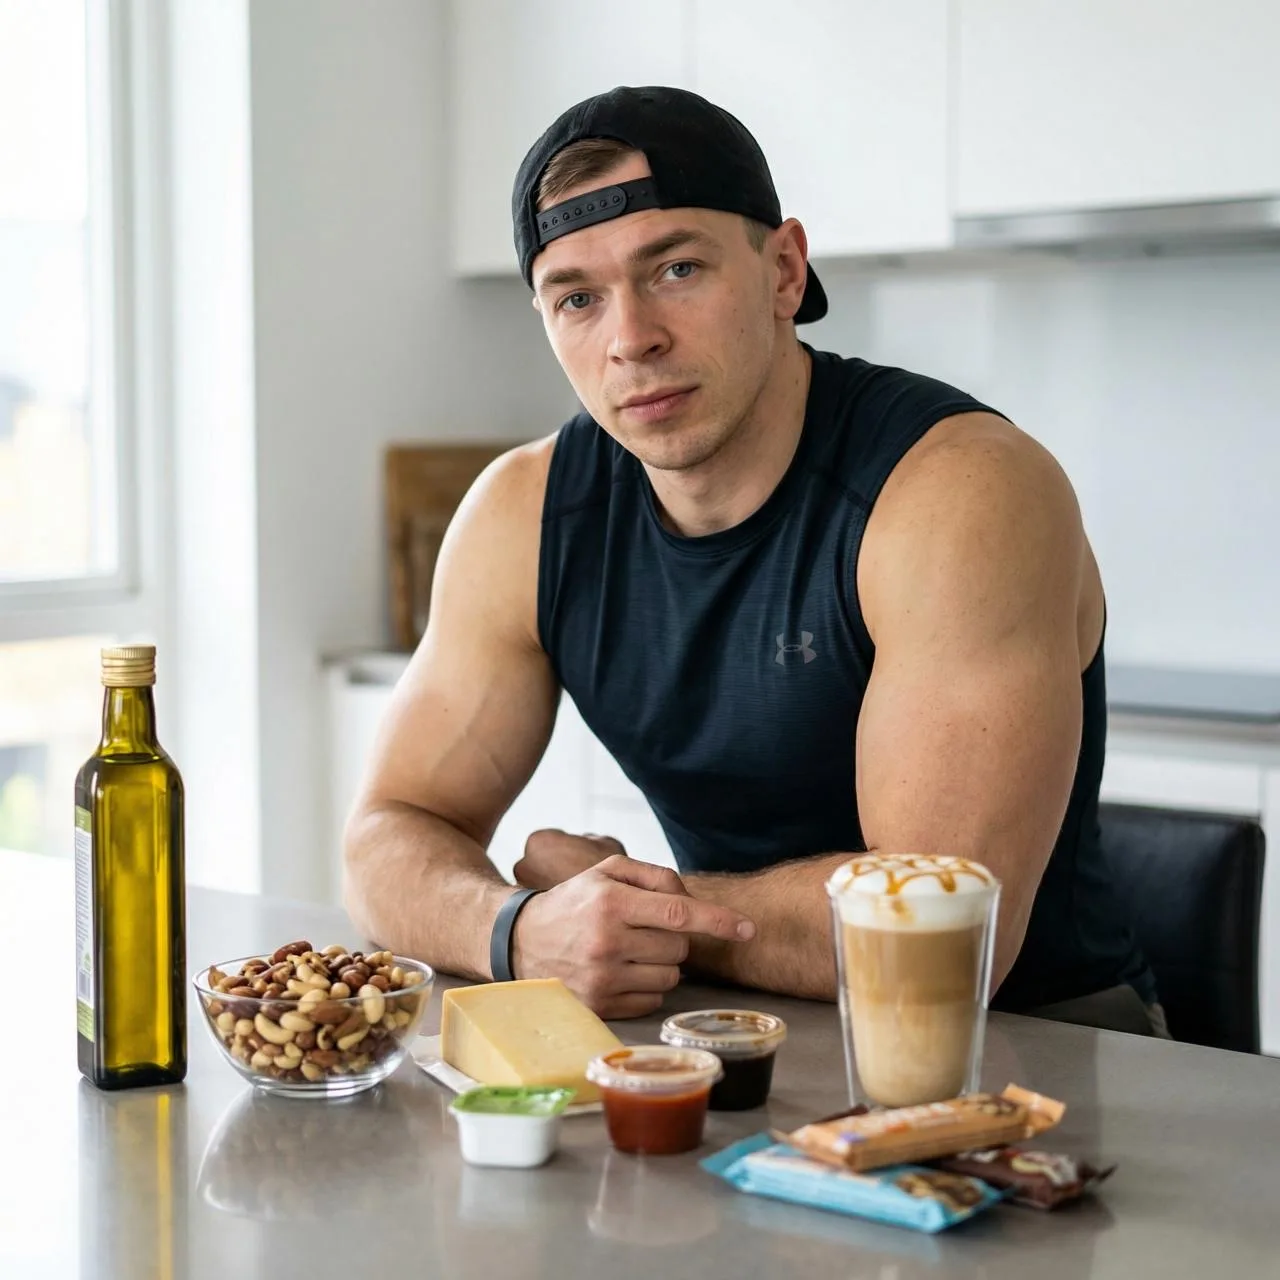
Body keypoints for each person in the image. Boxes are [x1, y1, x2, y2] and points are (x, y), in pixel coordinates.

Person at [344, 86, 1164, 1035]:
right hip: (736, 1035)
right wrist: (520, 930)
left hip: (1037, 1054)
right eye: (577, 298)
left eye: (677, 269)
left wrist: (637, 913)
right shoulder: (524, 514)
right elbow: (386, 833)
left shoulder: (961, 490)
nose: (631, 339)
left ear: (783, 271)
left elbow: (939, 940)